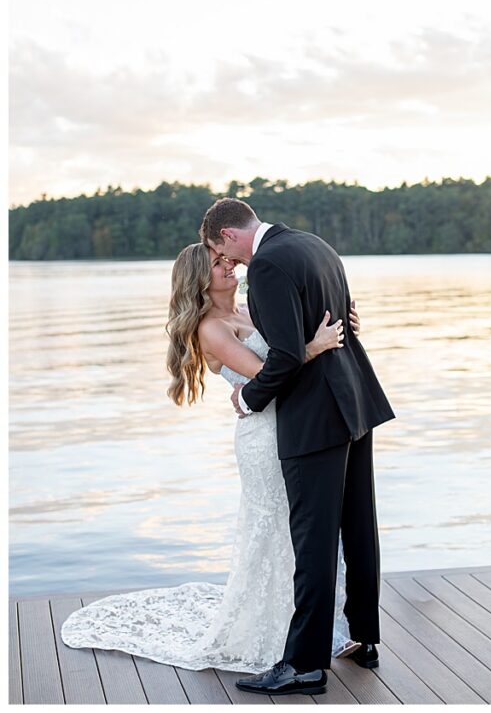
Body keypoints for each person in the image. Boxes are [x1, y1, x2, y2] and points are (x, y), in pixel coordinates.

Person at [61, 243, 359, 672]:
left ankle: (315, 631)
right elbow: (270, 372)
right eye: (218, 264)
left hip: (297, 424)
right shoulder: (210, 328)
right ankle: (272, 635)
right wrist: (316, 347)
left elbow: (293, 338)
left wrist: (344, 326)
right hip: (263, 439)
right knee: (277, 532)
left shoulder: (252, 307)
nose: (230, 266)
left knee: (306, 534)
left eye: (227, 260)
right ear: (200, 279)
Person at [202, 197, 395, 696]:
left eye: (219, 252)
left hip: (313, 418)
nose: (227, 264)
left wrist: (248, 400)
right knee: (357, 527)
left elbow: (286, 356)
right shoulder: (315, 245)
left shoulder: (266, 264)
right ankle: (364, 638)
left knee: (312, 541)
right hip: (355, 402)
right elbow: (341, 323)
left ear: (227, 235)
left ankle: (306, 665)